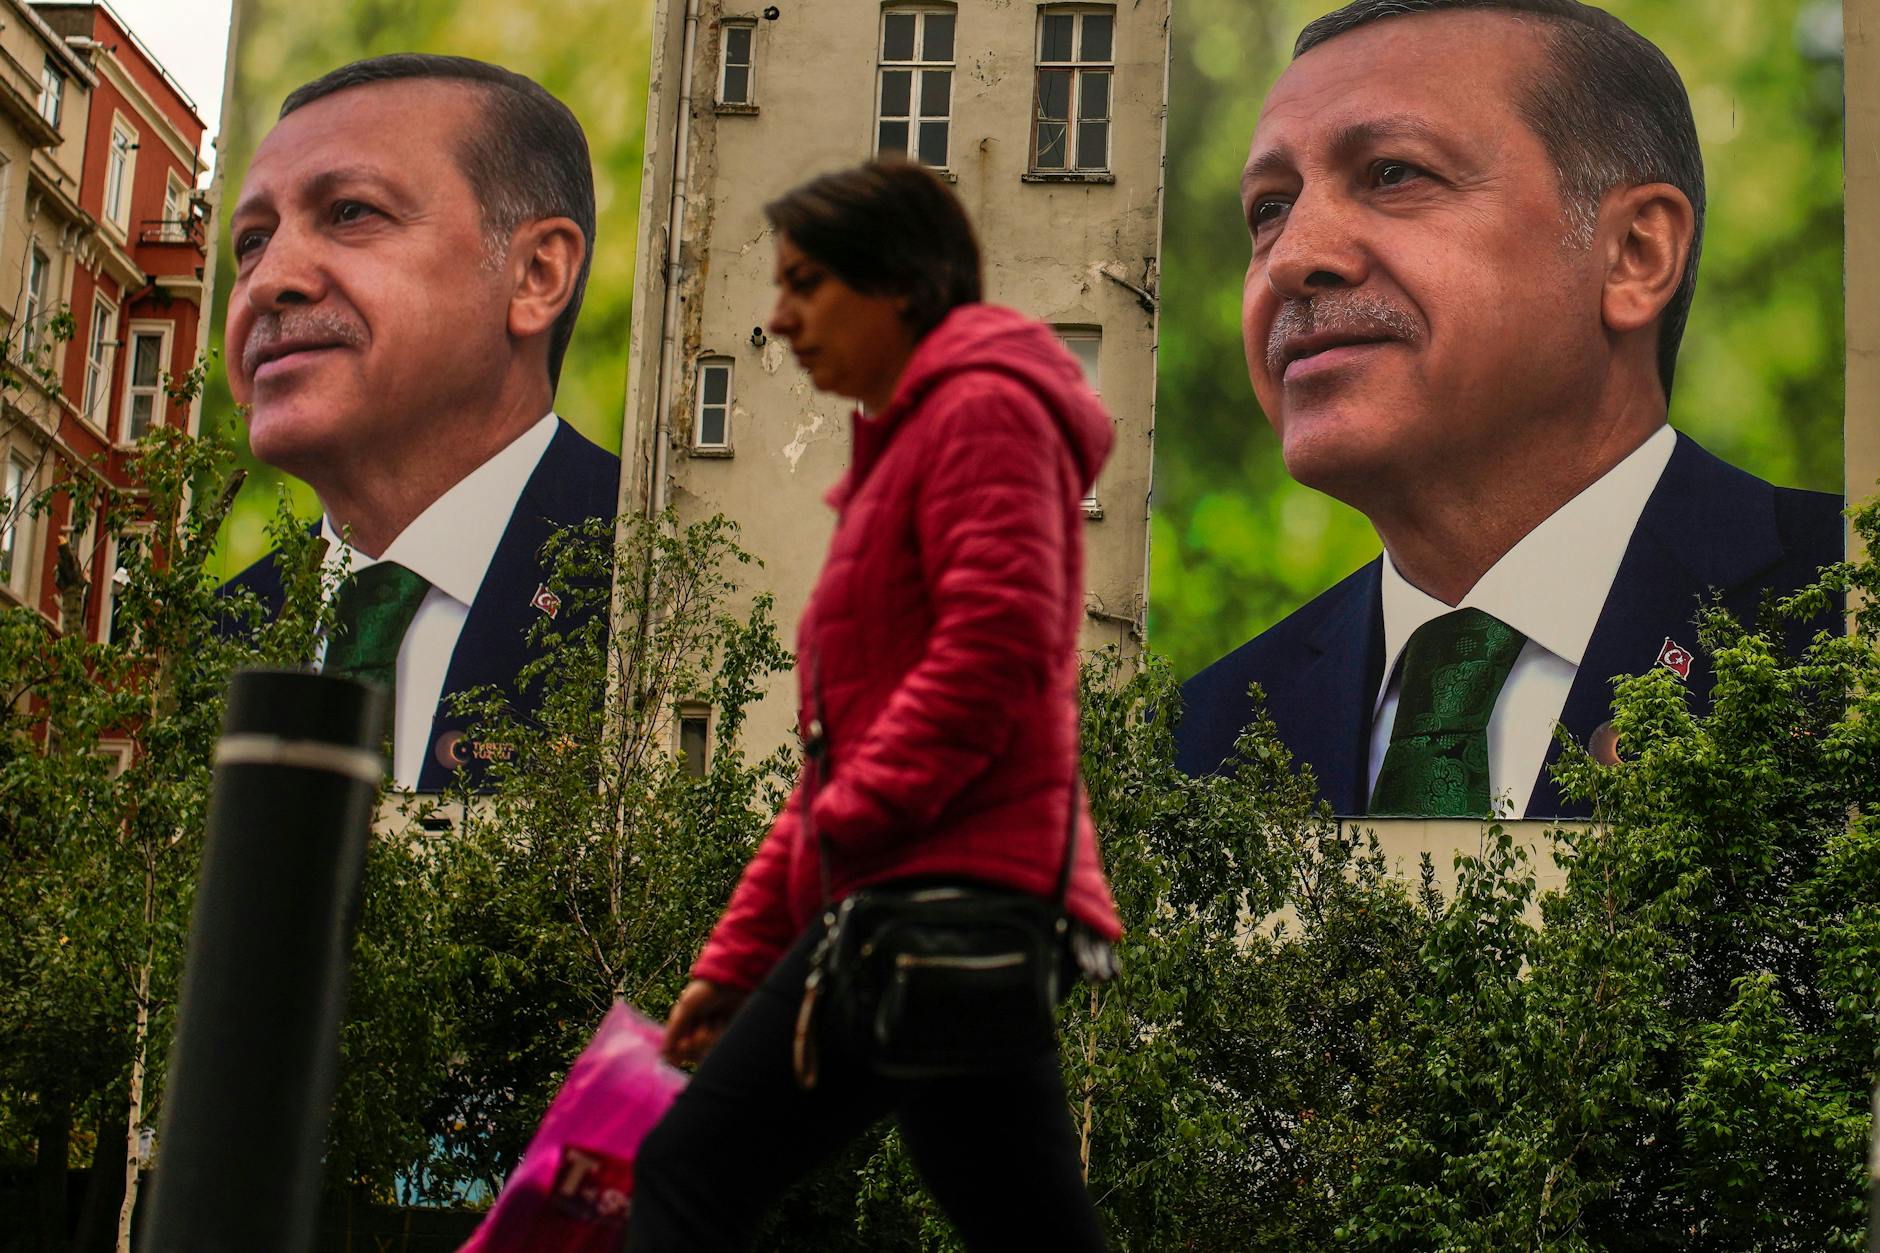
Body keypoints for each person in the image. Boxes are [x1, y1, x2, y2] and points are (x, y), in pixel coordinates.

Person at [1174, 0, 1843, 819]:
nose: (1293, 259)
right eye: (1270, 208)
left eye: (1393, 173)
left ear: (1635, 254)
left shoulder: (1851, 616)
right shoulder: (1187, 753)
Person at [627, 160, 1121, 1251]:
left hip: (938, 904)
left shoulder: (982, 414)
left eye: (805, 282)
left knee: (687, 1172)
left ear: (898, 282)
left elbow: (993, 650)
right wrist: (730, 960)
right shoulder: (907, 445)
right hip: (910, 902)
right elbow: (827, 767)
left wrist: (847, 830)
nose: (778, 316)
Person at [220, 54, 619, 791]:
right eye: (252, 241)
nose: (270, 279)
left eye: (350, 212)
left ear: (537, 275)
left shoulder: (656, 576)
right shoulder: (209, 639)